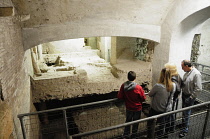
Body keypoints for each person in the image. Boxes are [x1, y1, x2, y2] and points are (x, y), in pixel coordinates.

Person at [147, 68, 176, 138]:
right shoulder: (173, 85)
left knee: (150, 125)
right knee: (162, 126)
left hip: (155, 109)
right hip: (166, 110)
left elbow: (150, 94)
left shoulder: (158, 86)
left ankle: (150, 137)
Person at [117, 71, 146, 138]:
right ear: (135, 78)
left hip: (129, 107)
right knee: (135, 123)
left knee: (128, 122)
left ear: (127, 77)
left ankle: (126, 135)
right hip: (137, 108)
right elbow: (143, 98)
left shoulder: (123, 85)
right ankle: (134, 136)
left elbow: (120, 96)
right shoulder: (138, 87)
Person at [179, 60, 202, 138]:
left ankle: (185, 130)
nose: (182, 68)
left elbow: (198, 88)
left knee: (187, 113)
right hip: (184, 94)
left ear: (186, 66)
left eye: (182, 67)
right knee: (184, 111)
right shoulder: (187, 73)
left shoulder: (196, 74)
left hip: (189, 96)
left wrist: (191, 97)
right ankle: (184, 125)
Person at [164, 63, 184, 132]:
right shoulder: (177, 75)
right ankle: (171, 128)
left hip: (172, 99)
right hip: (174, 98)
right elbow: (182, 84)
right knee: (172, 113)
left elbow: (177, 89)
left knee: (170, 114)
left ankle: (168, 129)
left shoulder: (172, 78)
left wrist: (173, 96)